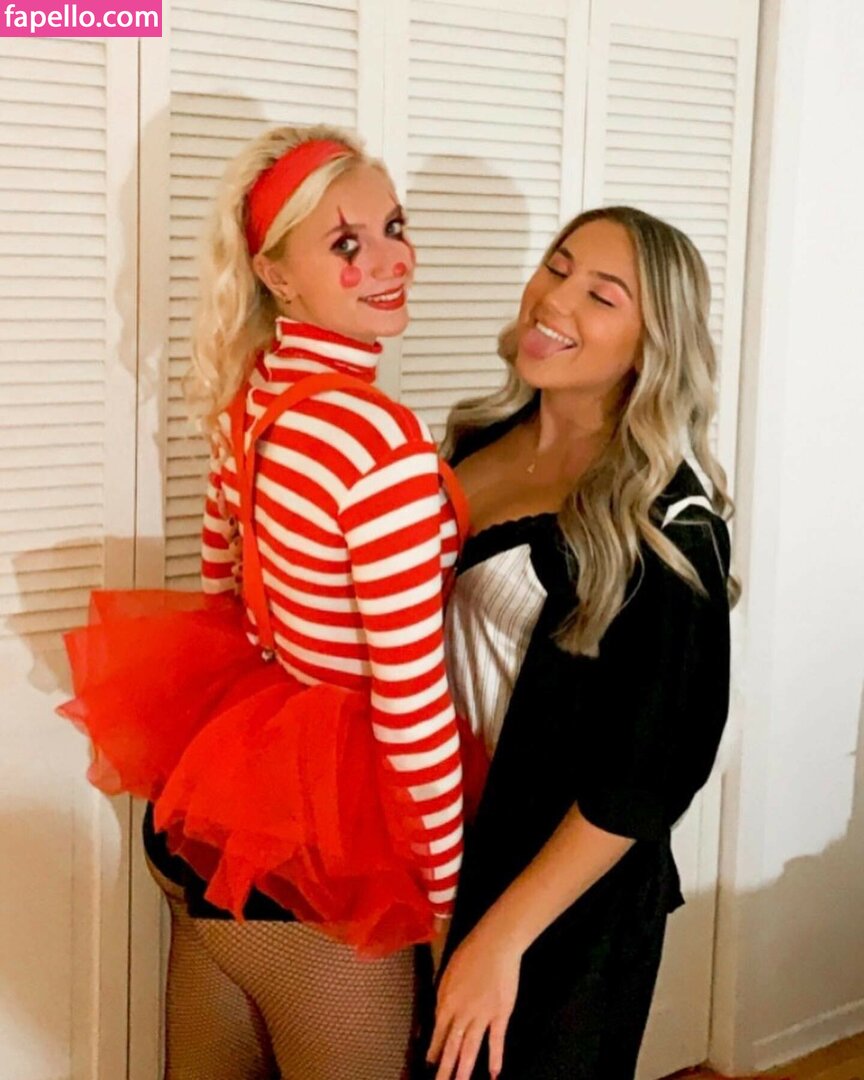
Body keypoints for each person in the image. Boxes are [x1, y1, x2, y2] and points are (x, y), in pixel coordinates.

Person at [58, 124, 486, 1080]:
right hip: (320, 855)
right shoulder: (377, 443)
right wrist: (448, 904)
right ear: (276, 275)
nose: (391, 260)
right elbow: (411, 698)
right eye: (345, 243)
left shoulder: (252, 398)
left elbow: (224, 594)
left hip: (212, 816)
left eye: (394, 227)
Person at [426, 206, 736, 1080]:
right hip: (446, 846)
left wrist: (501, 939)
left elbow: (651, 773)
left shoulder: (669, 523)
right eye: (556, 268)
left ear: (652, 346)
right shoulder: (477, 439)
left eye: (601, 295)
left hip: (563, 904)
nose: (554, 300)